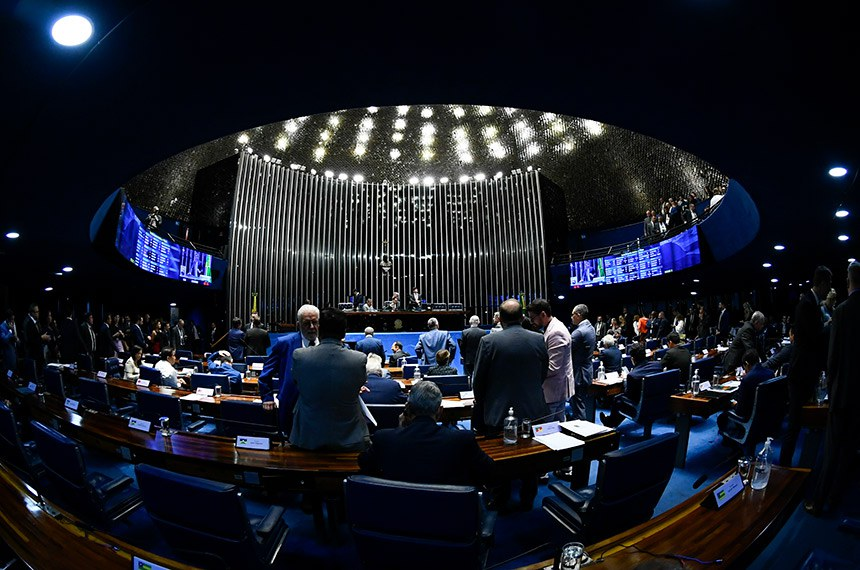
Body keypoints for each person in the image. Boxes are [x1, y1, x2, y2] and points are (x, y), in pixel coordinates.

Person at [358, 380, 492, 486]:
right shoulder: (462, 439)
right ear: (439, 411)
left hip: (398, 514)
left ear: (408, 409)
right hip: (449, 515)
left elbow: (364, 463)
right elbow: (488, 470)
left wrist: (400, 429)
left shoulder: (384, 438)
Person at [808, 261, 860, 515]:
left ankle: (818, 503)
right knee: (849, 450)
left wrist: (829, 389)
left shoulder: (842, 310)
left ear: (849, 280)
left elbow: (833, 359)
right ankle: (836, 500)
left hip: (842, 394)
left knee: (831, 452)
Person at [289, 306, 369, 451]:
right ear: (344, 332)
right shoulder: (359, 359)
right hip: (350, 437)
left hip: (308, 436)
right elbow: (359, 385)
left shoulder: (300, 356)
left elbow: (297, 382)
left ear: (320, 328)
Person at [471, 298, 549, 435]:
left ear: (500, 319)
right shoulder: (538, 339)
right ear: (523, 317)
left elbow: (478, 380)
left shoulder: (488, 341)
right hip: (534, 412)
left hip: (499, 414)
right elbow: (543, 373)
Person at [780, 265, 833, 467]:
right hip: (800, 373)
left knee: (804, 422)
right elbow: (813, 339)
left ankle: (800, 467)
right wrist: (829, 327)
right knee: (793, 425)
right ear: (820, 283)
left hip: (808, 372)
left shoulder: (813, 304)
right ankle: (783, 467)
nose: (830, 289)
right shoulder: (807, 304)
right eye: (828, 284)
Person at [258, 304, 319, 434]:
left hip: (319, 407)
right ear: (298, 324)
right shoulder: (285, 343)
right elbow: (266, 373)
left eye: (315, 322)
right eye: (307, 323)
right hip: (291, 405)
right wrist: (267, 397)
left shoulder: (327, 343)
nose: (312, 327)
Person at [526, 298, 573, 422]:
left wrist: (531, 374)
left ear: (543, 314)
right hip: (556, 389)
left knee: (548, 431)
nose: (531, 322)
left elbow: (553, 368)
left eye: (532, 318)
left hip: (553, 391)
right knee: (557, 429)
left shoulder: (556, 332)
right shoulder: (552, 327)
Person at [600, 344, 664, 428]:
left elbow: (628, 395)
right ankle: (610, 421)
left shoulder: (632, 375)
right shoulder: (657, 365)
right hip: (657, 403)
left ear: (632, 359)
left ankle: (610, 423)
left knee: (618, 400)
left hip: (641, 408)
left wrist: (626, 380)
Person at [716, 350, 774, 436]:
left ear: (746, 364)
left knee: (722, 417)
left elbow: (740, 410)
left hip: (751, 418)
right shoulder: (770, 373)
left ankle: (730, 441)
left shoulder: (747, 379)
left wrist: (733, 403)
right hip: (767, 416)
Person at [569, 303, 596, 420]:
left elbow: (565, 350)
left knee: (578, 406)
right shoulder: (591, 327)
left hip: (578, 374)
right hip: (587, 370)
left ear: (578, 315)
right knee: (582, 403)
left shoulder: (578, 332)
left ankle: (580, 433)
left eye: (572, 315)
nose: (571, 317)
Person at [22, 304, 50, 370]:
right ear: (32, 313)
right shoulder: (28, 323)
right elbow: (30, 339)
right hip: (33, 354)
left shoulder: (36, 322)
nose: (38, 314)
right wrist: (41, 337)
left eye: (38, 312)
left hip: (38, 353)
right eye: (36, 312)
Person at [0, 310, 18, 374]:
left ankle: (12, 379)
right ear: (7, 319)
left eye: (13, 319)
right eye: (11, 319)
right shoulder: (2, 326)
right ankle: (8, 381)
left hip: (14, 350)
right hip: (7, 352)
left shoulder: (13, 323)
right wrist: (10, 331)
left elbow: (15, 335)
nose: (13, 321)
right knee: (8, 370)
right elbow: (4, 340)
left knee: (13, 368)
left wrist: (16, 339)